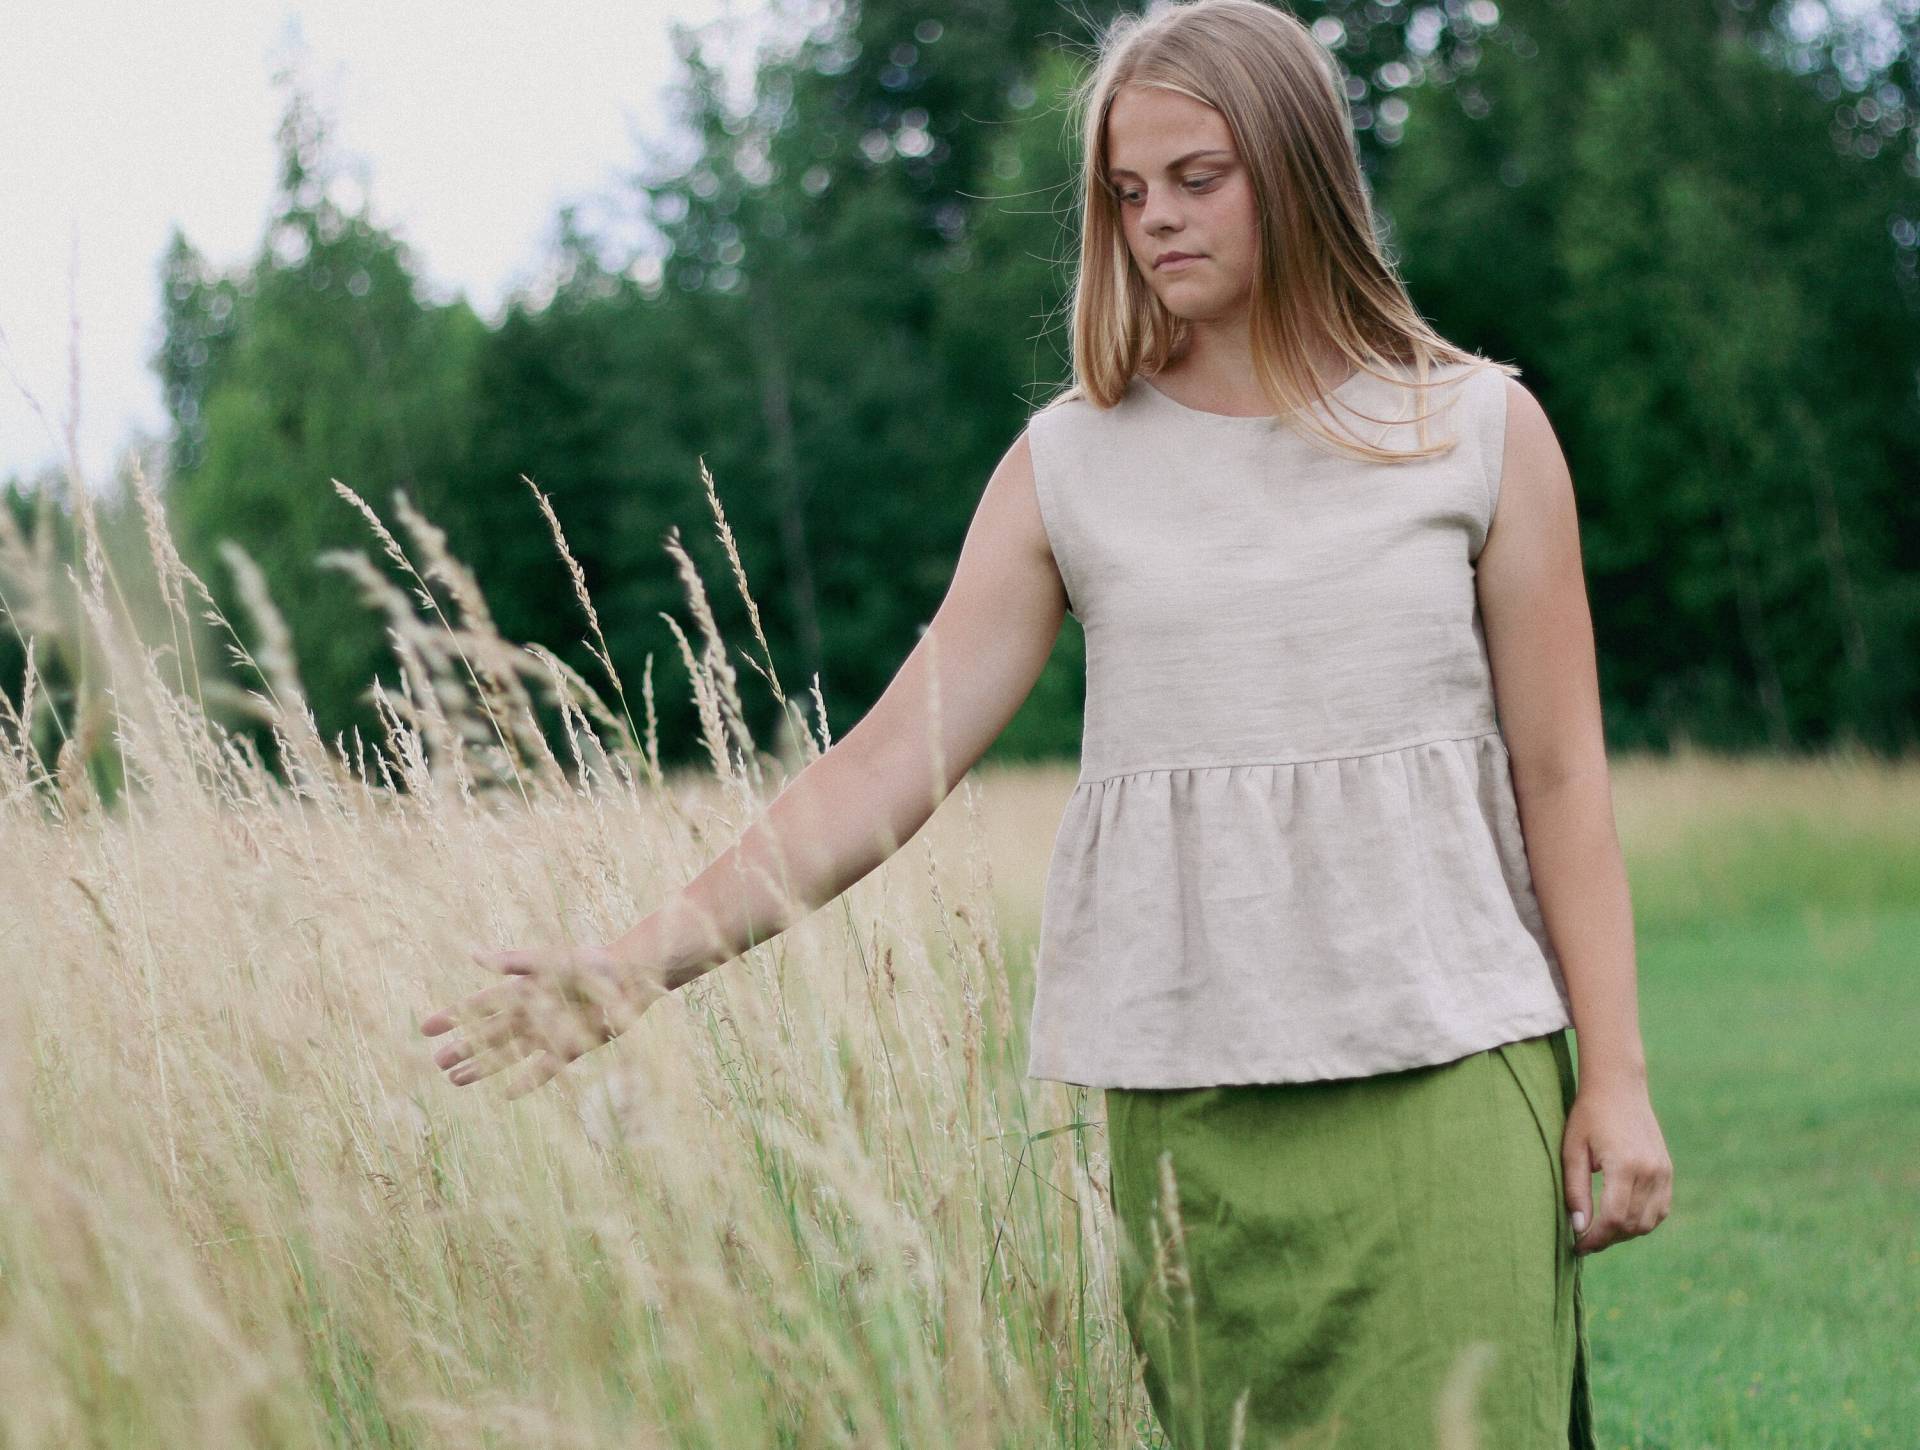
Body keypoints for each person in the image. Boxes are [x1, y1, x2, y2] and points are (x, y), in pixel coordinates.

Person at [419, 0, 1674, 1443]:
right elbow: (894, 755)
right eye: (1128, 193)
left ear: (1299, 163)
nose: (1155, 221)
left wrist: (1621, 1081)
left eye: (1198, 178)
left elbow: (1563, 775)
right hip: (1191, 1104)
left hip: (1449, 1071)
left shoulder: (1478, 430)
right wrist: (636, 962)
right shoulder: (1070, 462)